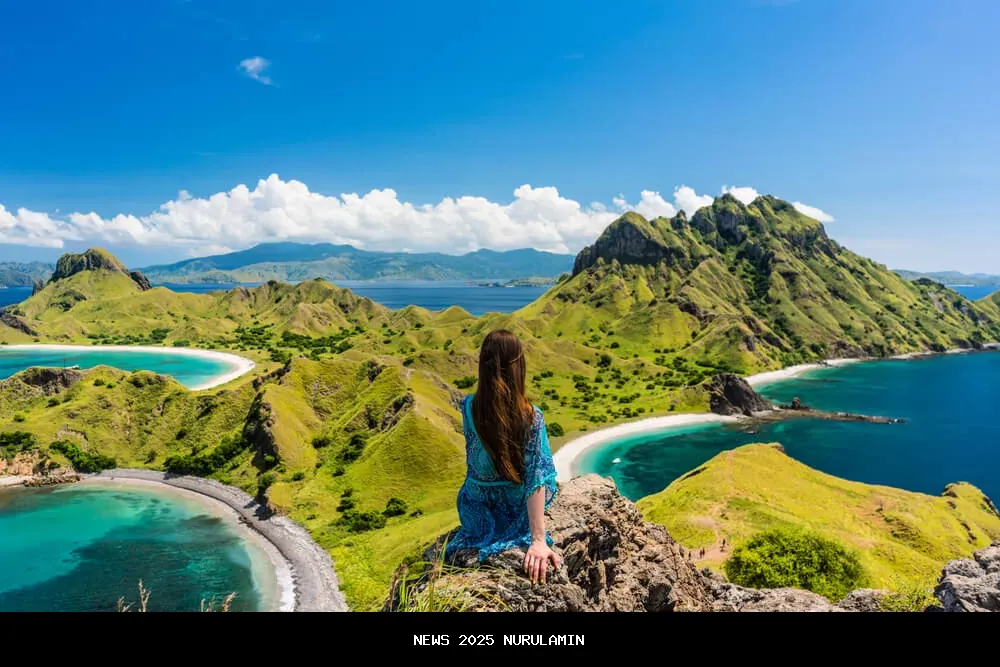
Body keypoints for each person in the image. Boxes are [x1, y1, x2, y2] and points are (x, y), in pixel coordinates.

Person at [445, 329, 561, 584]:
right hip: (512, 508)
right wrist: (538, 540)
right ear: (519, 367)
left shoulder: (468, 407)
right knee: (545, 474)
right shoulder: (531, 417)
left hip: (474, 507)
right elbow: (537, 478)